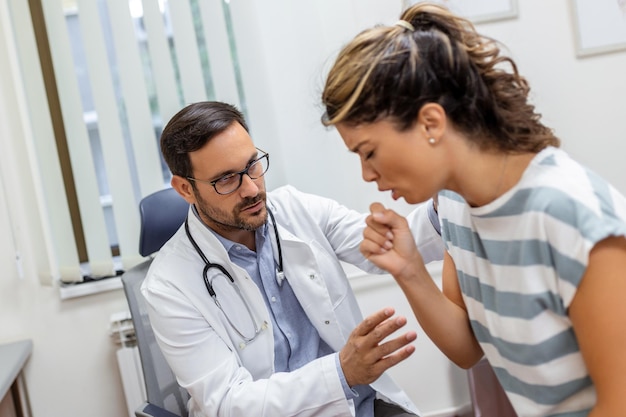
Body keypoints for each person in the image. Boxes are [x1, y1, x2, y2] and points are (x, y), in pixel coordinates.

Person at [320, 3, 626, 417]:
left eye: (369, 152)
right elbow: (468, 349)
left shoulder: (571, 215)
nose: (367, 174)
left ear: (430, 123)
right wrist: (408, 268)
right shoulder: (455, 205)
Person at [141, 101, 445, 417]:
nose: (250, 189)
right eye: (227, 179)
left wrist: (444, 195)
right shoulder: (168, 285)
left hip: (358, 407)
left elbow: (391, 244)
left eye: (252, 165)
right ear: (185, 189)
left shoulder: (295, 209)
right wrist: (342, 372)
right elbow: (229, 403)